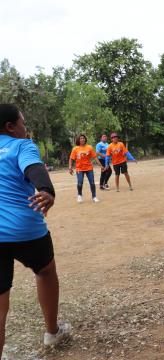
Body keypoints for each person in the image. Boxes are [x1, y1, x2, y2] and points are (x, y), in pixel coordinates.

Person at [0, 104, 71, 357]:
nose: (25, 127)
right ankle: (52, 332)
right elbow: (34, 168)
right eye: (23, 122)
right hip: (22, 229)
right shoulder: (21, 145)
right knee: (45, 271)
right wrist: (47, 190)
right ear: (10, 126)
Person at [69, 134, 104, 203]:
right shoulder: (75, 149)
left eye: (83, 138)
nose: (82, 139)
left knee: (92, 183)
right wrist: (70, 167)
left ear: (85, 139)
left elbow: (95, 157)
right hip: (79, 169)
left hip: (89, 168)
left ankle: (94, 197)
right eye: (81, 138)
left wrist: (100, 165)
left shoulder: (89, 147)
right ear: (78, 140)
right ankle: (79, 195)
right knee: (80, 182)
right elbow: (71, 159)